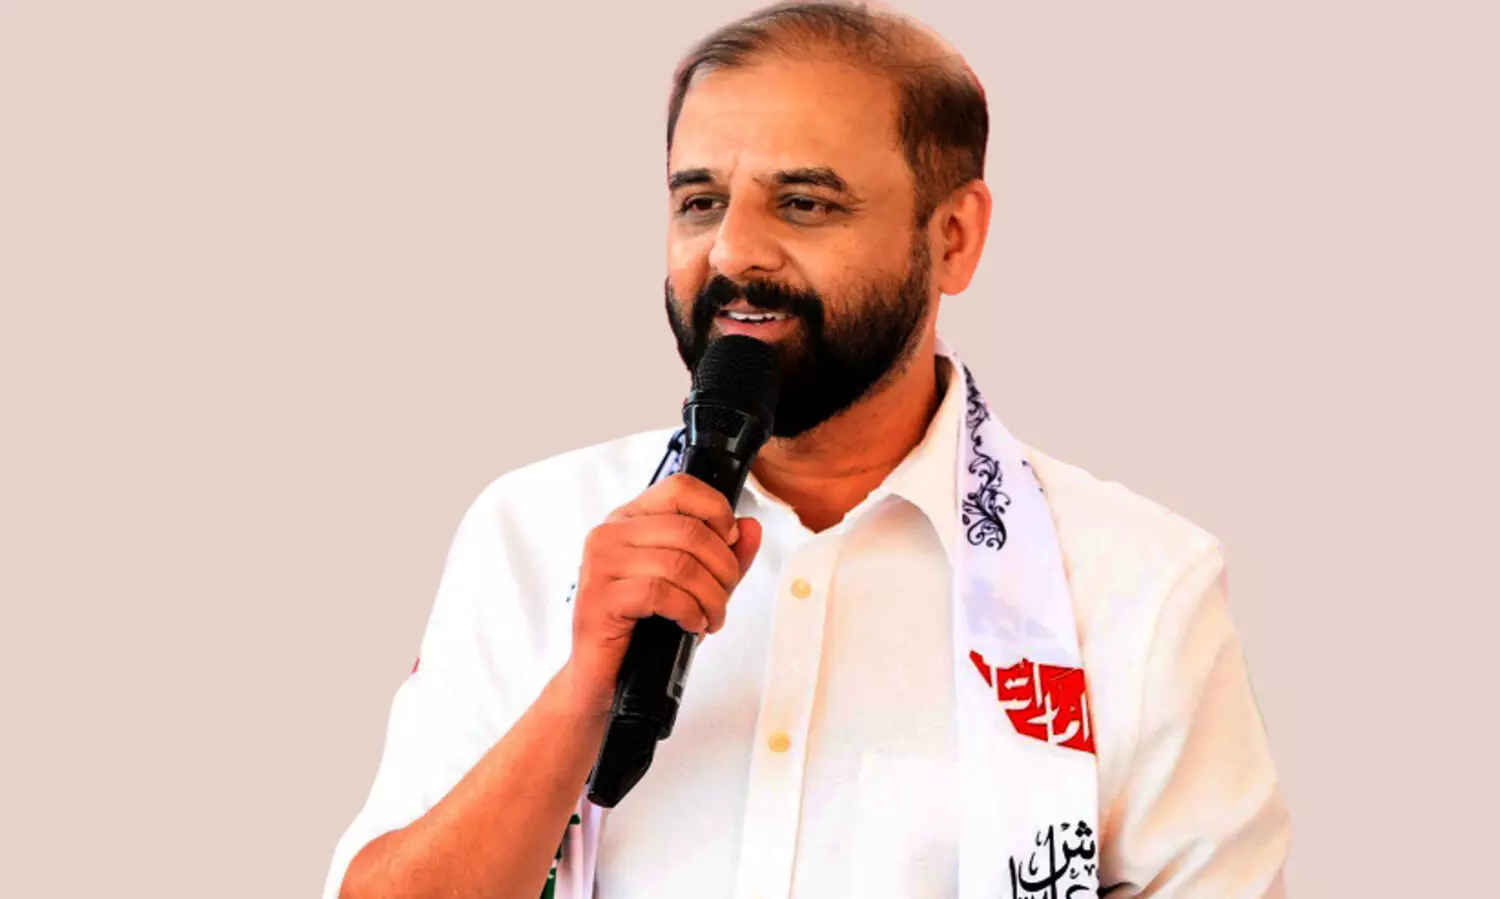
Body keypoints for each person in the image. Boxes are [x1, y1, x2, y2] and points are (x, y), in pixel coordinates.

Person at [323, 2, 1291, 897]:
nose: (733, 252)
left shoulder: (1137, 591)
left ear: (954, 237)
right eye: (700, 201)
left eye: (804, 203)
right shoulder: (533, 533)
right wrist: (581, 695)